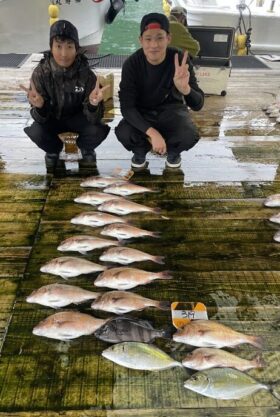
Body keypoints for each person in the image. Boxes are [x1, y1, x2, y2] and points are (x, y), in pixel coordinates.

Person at [115, 12, 204, 170]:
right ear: (140, 40)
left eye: (160, 38)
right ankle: (140, 152)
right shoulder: (131, 64)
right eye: (148, 39)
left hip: (172, 112)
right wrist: (152, 133)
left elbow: (198, 104)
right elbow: (127, 107)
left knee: (189, 134)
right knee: (124, 131)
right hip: (142, 113)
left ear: (168, 38)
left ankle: (173, 153)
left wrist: (186, 89)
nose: (154, 45)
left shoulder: (180, 59)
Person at [22, 20, 110, 172]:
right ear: (51, 47)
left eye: (70, 46)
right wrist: (40, 107)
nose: (64, 53)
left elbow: (94, 118)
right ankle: (52, 150)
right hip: (52, 117)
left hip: (78, 117)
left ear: (76, 49)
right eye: (58, 46)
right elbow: (38, 118)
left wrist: (93, 105)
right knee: (36, 131)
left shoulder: (87, 75)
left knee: (98, 129)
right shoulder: (40, 73)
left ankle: (87, 149)